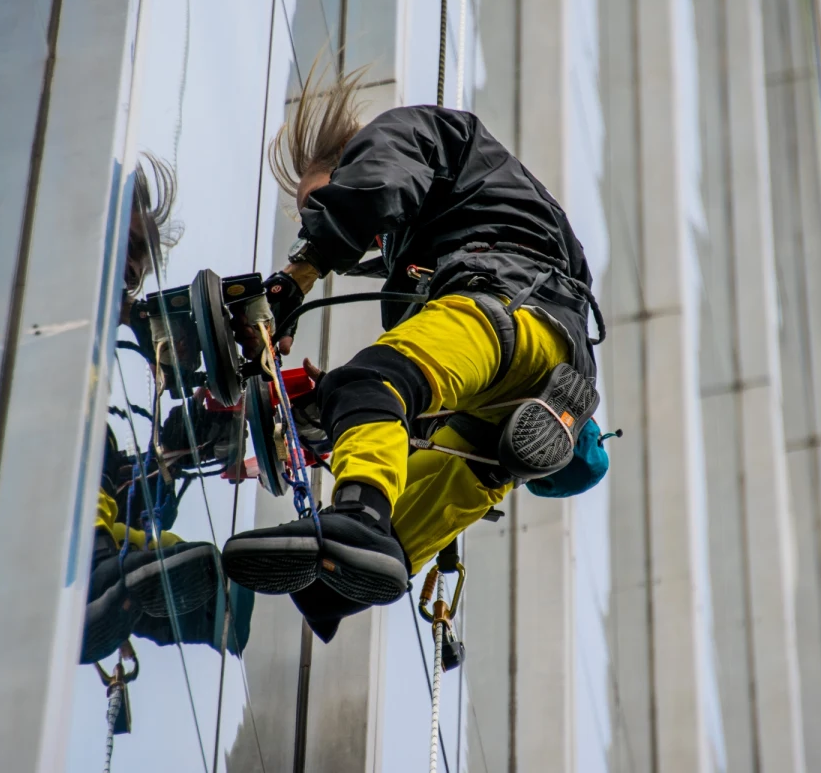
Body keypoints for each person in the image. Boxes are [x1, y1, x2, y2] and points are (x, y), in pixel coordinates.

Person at [221, 67, 607, 641]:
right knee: (411, 492)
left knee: (370, 385)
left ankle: (360, 513)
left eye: (316, 204)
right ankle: (331, 585)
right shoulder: (421, 258)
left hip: (506, 308)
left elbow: (375, 188)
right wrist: (315, 422)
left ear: (346, 159)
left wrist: (295, 279)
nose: (316, 222)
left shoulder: (404, 133)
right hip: (536, 370)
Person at [0, 154, 243, 663]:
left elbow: (109, 489)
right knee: (67, 374)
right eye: (128, 249)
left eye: (135, 276)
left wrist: (177, 451)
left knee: (142, 547)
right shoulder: (2, 262)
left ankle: (229, 607)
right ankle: (87, 570)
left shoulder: (71, 385)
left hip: (16, 475)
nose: (131, 277)